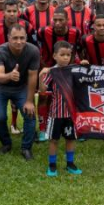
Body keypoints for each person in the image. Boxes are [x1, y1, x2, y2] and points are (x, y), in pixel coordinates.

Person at [0, 24, 39, 160]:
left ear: (26, 38)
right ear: (8, 38)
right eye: (15, 38)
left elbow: (33, 76)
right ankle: (6, 143)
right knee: (0, 117)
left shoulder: (33, 50)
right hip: (0, 87)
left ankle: (26, 147)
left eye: (22, 38)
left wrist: (29, 101)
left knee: (30, 114)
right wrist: (9, 76)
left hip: (20, 87)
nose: (19, 41)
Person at [36, 6, 81, 141]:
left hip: (66, 69)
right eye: (54, 20)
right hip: (47, 67)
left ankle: (74, 126)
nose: (57, 23)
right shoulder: (42, 32)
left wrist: (69, 68)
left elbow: (76, 51)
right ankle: (43, 129)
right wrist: (49, 69)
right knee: (44, 97)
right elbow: (39, 51)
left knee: (69, 98)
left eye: (61, 20)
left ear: (67, 20)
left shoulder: (75, 32)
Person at [38, 41, 82, 177]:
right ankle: (52, 165)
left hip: (70, 114)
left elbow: (85, 82)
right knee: (53, 140)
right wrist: (41, 75)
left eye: (68, 55)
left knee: (70, 139)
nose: (65, 58)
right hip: (56, 114)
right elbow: (43, 90)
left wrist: (85, 67)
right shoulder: (52, 72)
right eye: (62, 54)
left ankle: (70, 164)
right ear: (55, 56)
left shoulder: (74, 71)